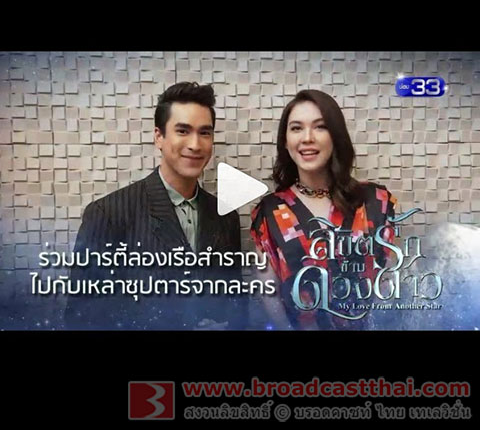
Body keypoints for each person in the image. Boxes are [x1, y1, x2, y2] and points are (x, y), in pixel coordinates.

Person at [64, 82, 247, 330]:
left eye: (205, 133)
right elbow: (82, 316)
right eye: (182, 131)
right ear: (159, 137)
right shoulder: (109, 213)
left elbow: (237, 306)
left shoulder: (225, 216)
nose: (195, 144)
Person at [250, 89, 397, 330]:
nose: (307, 138)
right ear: (285, 141)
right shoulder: (268, 213)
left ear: (335, 136)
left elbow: (389, 286)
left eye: (320, 127)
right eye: (296, 128)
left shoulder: (375, 201)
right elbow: (270, 297)